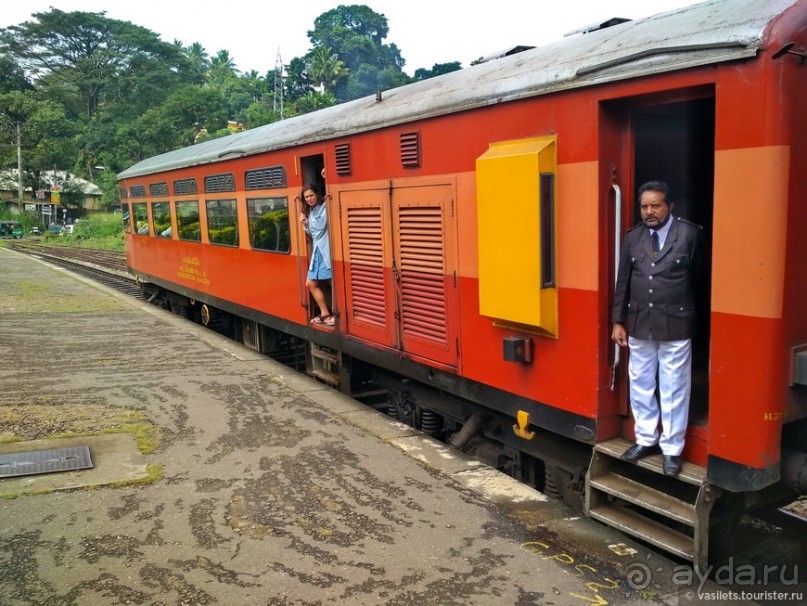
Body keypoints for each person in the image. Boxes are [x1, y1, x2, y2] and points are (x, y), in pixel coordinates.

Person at [611, 181, 703, 476]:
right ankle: (646, 438)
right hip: (639, 322)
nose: (649, 211)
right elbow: (622, 281)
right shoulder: (633, 237)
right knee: (640, 383)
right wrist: (617, 321)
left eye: (656, 205)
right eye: (644, 206)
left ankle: (672, 449)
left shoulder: (689, 234)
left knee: (674, 387)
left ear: (670, 206)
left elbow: (702, 283)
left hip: (676, 323)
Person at [299, 182, 334, 326]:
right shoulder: (312, 211)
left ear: (317, 194)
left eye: (311, 195)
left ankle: (331, 314)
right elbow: (313, 233)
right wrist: (305, 224)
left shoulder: (325, 207)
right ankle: (326, 313)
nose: (309, 198)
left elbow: (319, 231)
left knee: (331, 282)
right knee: (311, 283)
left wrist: (326, 176)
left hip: (326, 251)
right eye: (306, 197)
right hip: (318, 251)